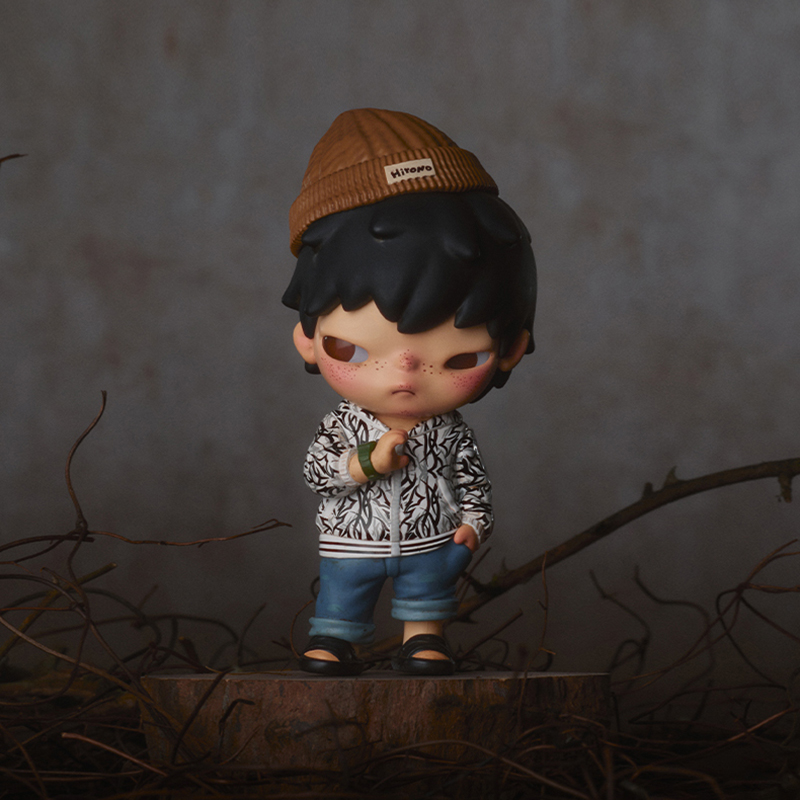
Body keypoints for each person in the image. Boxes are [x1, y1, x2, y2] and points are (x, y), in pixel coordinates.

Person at [283, 108, 537, 675]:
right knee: (343, 592)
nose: (403, 374)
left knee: (428, 595)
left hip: (432, 537)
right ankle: (334, 637)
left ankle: (423, 639)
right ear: (307, 341)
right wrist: (365, 462)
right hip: (354, 538)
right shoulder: (345, 425)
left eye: (459, 359)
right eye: (352, 350)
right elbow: (318, 472)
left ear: (512, 350)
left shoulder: (451, 433)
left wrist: (474, 524)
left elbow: (472, 479)